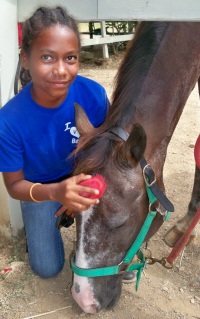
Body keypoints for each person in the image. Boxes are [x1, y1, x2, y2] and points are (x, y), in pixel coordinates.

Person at [0, 6, 134, 283]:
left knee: (119, 204)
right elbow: (14, 187)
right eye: (47, 57)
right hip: (40, 187)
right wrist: (57, 193)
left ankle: (117, 260)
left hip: (85, 177)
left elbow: (106, 154)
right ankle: (45, 226)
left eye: (70, 58)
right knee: (47, 269)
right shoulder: (9, 120)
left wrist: (82, 188)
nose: (61, 70)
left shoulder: (93, 95)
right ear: (25, 59)